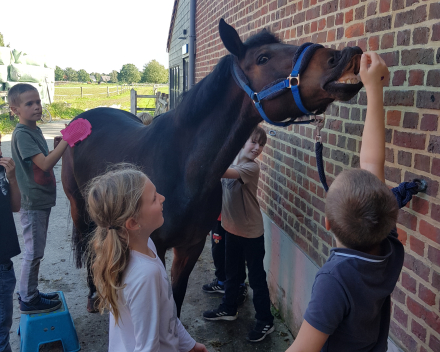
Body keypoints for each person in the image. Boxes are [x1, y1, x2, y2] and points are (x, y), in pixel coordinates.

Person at [286, 52, 403, 352]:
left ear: (326, 223)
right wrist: (374, 90)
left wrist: (375, 87)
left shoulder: (334, 280)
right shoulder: (387, 247)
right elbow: (373, 164)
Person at [86, 164, 208, 352]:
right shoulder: (145, 275)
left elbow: (166, 313)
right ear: (133, 223)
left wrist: (189, 345)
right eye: (153, 199)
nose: (162, 198)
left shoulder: (146, 246)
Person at [203, 126, 274, 343]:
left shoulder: (251, 167)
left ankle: (265, 320)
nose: (257, 148)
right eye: (253, 141)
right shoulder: (234, 157)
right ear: (242, 142)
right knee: (232, 273)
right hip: (230, 227)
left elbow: (221, 172)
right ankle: (229, 308)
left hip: (251, 232)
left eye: (261, 144)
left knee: (256, 278)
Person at [9, 83, 69, 313]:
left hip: (40, 198)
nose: (37, 107)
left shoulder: (33, 130)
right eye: (29, 104)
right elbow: (45, 163)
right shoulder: (22, 134)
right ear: (15, 110)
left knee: (37, 250)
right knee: (34, 252)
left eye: (38, 102)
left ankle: (29, 291)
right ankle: (28, 298)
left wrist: (58, 142)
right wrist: (67, 140)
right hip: (32, 201)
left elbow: (42, 157)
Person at [0, 133, 21, 352]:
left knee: (3, 327)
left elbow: (15, 206)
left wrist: (12, 178)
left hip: (4, 264)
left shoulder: (1, 172)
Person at [201, 214, 248, 306]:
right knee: (217, 250)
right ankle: (221, 281)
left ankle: (240, 285)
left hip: (233, 218)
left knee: (235, 251)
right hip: (216, 216)